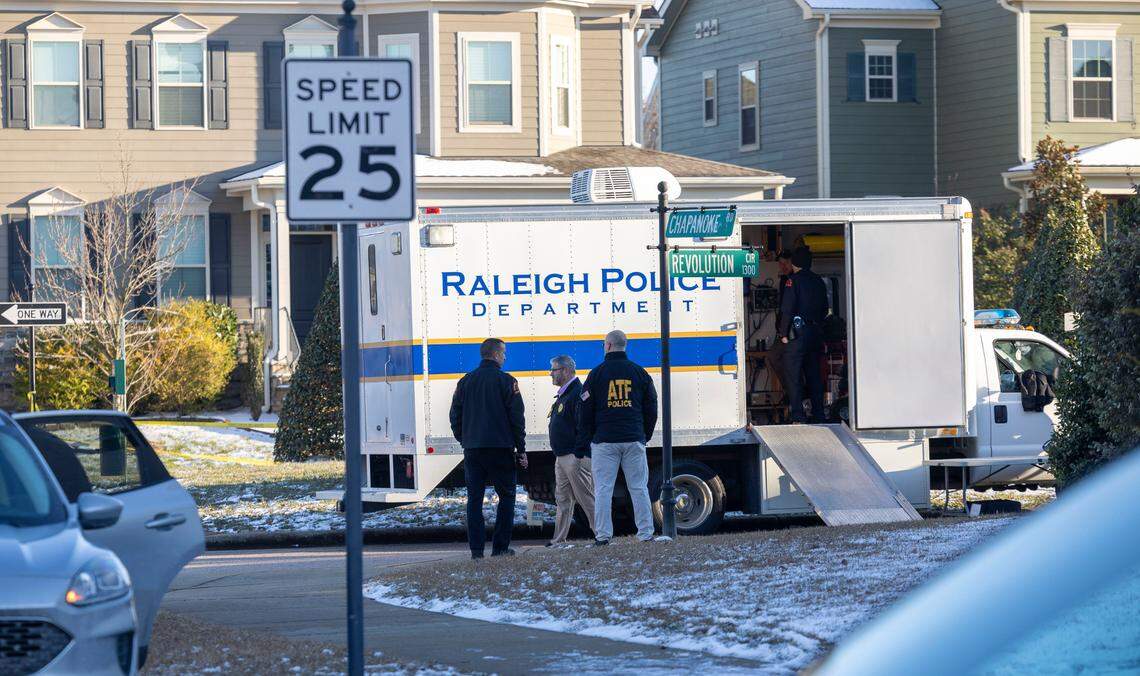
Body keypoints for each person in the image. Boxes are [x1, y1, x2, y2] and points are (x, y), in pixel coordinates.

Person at [578, 329, 659, 545]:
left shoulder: (596, 374)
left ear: (608, 346)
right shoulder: (639, 373)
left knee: (603, 489)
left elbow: (585, 410)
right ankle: (645, 533)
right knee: (639, 488)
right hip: (633, 438)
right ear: (625, 346)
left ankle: (603, 536)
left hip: (605, 441)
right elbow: (651, 407)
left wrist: (588, 437)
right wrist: (644, 435)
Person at [449, 338, 527, 559]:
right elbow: (517, 419)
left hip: (473, 449)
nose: (505, 357)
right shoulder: (507, 382)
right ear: (494, 354)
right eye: (503, 353)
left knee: (474, 499)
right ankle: (500, 548)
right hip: (501, 449)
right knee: (507, 497)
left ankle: (476, 551)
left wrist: (465, 439)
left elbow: (455, 415)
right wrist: (520, 449)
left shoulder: (465, 382)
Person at [545, 355, 596, 547]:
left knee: (586, 497)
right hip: (561, 456)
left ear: (565, 371)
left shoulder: (578, 393)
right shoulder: (565, 394)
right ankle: (559, 539)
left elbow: (584, 427)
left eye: (554, 370)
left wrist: (578, 454)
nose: (551, 374)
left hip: (574, 456)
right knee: (563, 499)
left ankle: (602, 534)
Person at [778, 247, 828, 423]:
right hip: (815, 334)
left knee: (793, 375)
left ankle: (798, 415)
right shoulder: (819, 281)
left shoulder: (793, 281)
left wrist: (783, 333)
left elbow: (787, 310)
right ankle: (819, 414)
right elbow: (824, 309)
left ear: (794, 263)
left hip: (798, 335)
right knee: (814, 375)